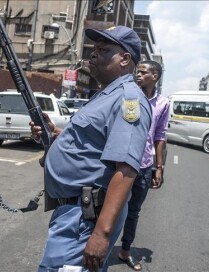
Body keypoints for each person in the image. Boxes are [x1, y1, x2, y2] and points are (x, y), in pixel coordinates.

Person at [30, 26, 152, 272]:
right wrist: (55, 134)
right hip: (75, 212)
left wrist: (101, 233)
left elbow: (126, 169)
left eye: (103, 50)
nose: (93, 55)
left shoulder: (129, 99)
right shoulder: (106, 94)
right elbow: (93, 142)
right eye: (94, 50)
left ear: (125, 59)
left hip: (86, 217)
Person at [118, 60, 170, 271]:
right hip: (122, 162)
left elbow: (160, 136)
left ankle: (124, 250)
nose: (138, 75)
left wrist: (159, 167)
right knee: (106, 205)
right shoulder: (128, 96)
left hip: (145, 165)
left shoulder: (163, 103)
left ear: (155, 76)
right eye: (137, 72)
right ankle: (98, 245)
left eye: (143, 72)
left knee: (134, 211)